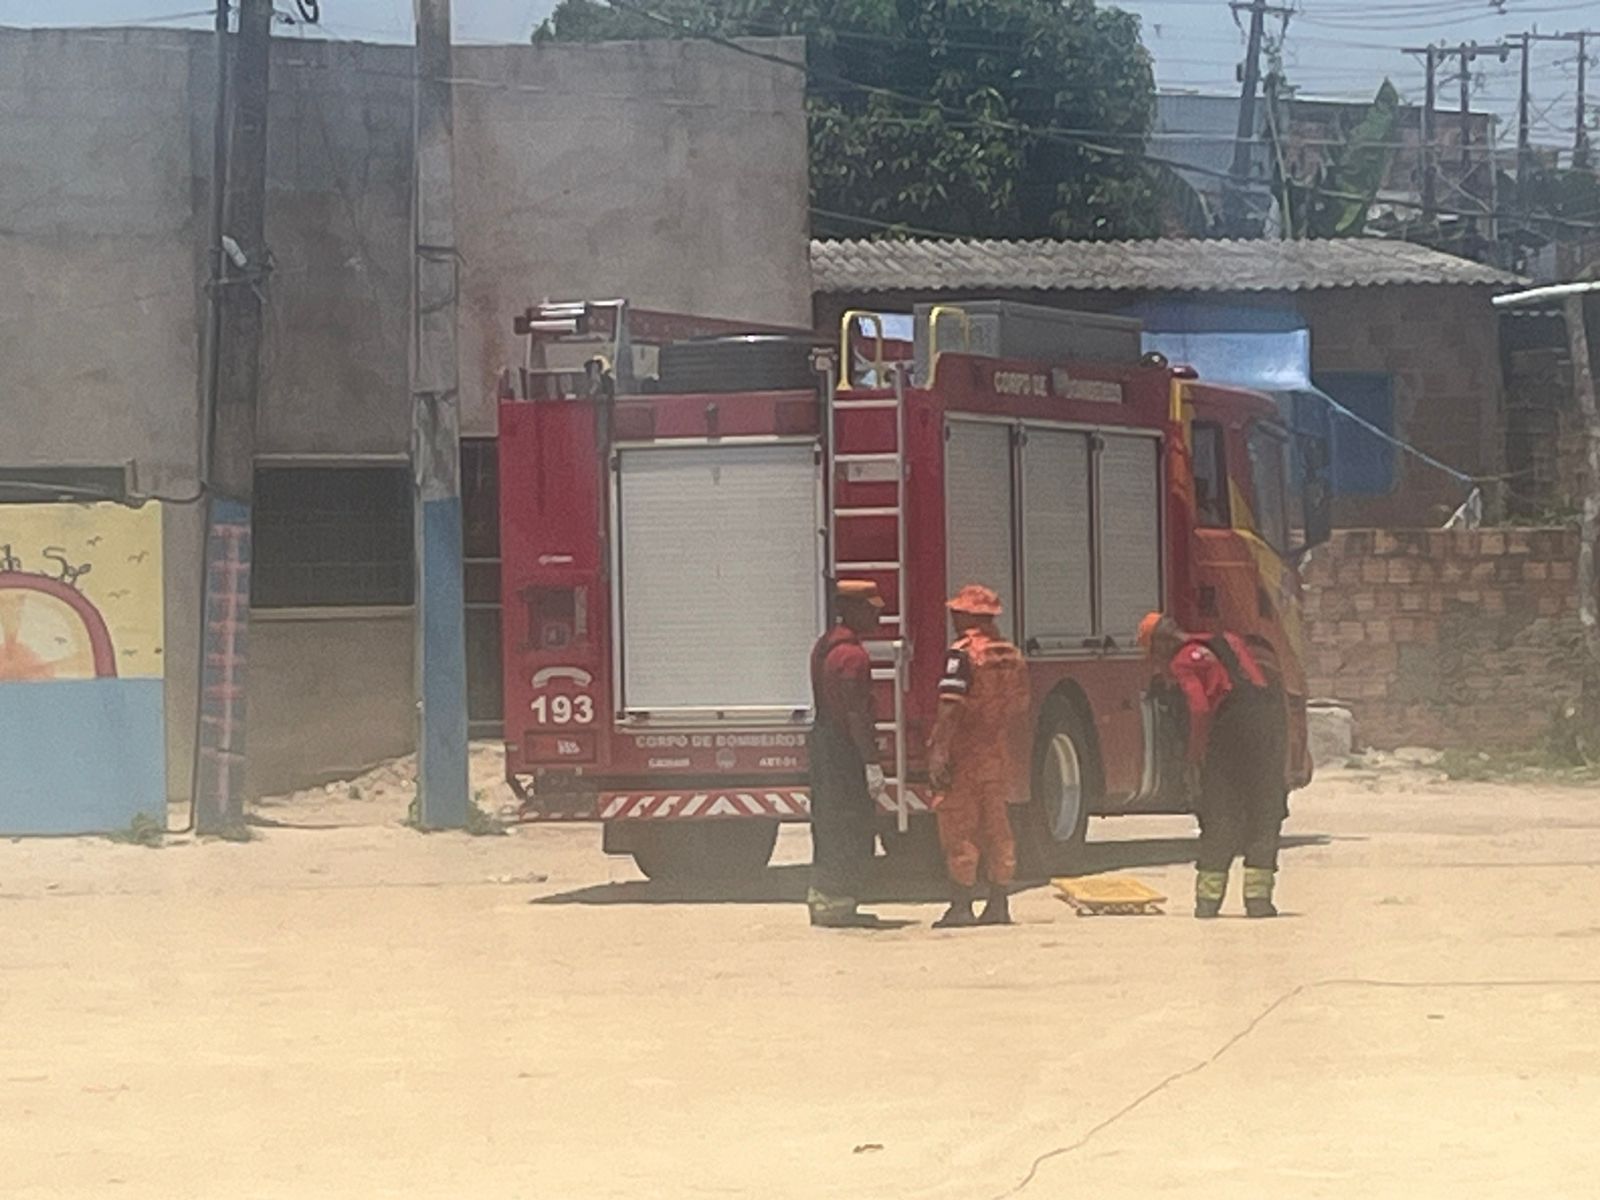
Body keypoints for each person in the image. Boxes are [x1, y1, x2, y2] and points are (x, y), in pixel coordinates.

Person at [1139, 612, 1288, 920]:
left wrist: (1195, 756)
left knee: (1220, 814)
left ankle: (1208, 903)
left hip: (1229, 731)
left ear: (1160, 645)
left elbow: (1199, 708)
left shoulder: (1182, 661)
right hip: (1267, 727)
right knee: (1264, 809)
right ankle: (1258, 902)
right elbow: (1262, 680)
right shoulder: (1230, 641)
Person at [927, 585, 1031, 928]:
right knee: (997, 827)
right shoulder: (1010, 654)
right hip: (997, 753)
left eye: (959, 612)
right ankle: (999, 903)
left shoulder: (962, 654)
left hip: (965, 752)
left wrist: (939, 748)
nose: (953, 617)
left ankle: (961, 905)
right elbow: (1021, 705)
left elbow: (950, 706)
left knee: (958, 826)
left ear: (970, 616)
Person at [807, 579, 889, 928]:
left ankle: (826, 902)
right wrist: (871, 761)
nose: (878, 616)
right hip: (844, 749)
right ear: (852, 609)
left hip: (824, 742)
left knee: (827, 823)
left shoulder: (824, 648)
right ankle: (840, 903)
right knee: (850, 825)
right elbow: (856, 713)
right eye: (871, 610)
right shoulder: (852, 657)